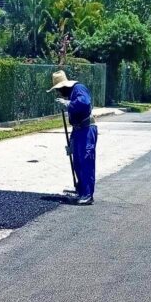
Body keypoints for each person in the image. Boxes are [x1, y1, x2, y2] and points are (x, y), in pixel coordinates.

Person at [48, 70, 97, 205]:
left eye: (59, 89)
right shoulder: (70, 94)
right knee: (77, 162)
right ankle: (81, 190)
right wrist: (72, 142)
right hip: (78, 130)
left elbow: (85, 103)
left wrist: (69, 104)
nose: (58, 92)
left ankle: (88, 195)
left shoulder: (78, 88)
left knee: (86, 161)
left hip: (87, 129)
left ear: (64, 86)